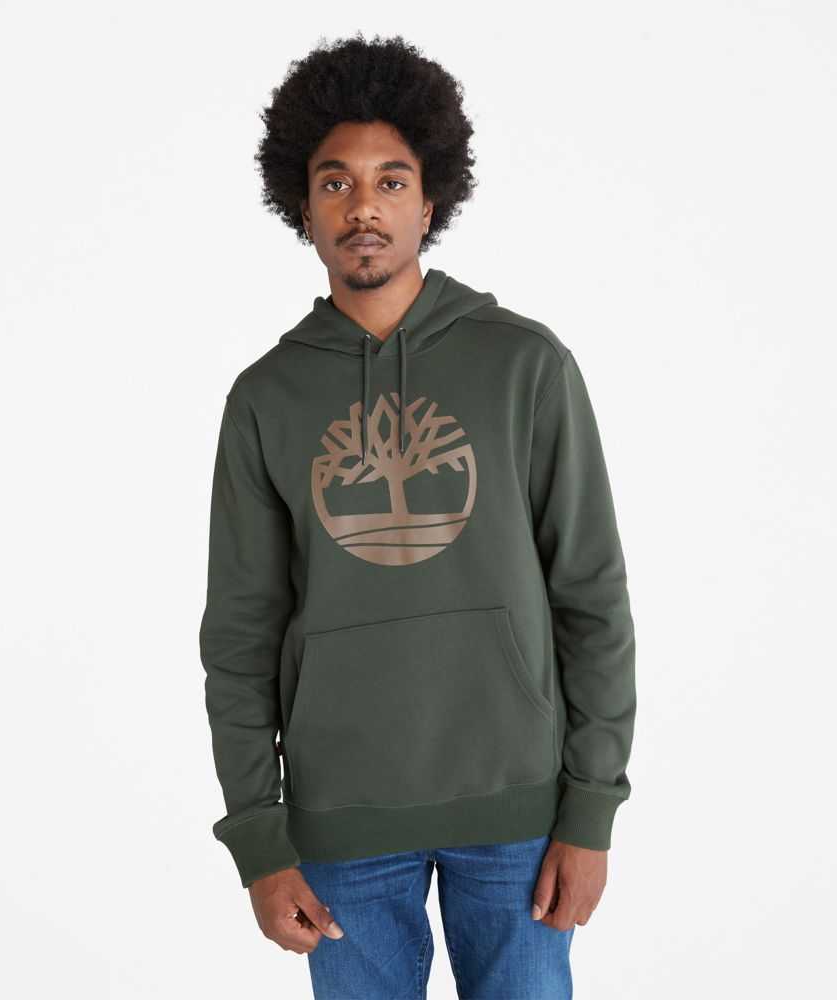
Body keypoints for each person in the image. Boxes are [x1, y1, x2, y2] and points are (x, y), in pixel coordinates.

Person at [198, 31, 637, 1000]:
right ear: (302, 207)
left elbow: (591, 594)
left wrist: (590, 808)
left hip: (518, 814)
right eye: (336, 183)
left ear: (430, 202)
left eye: (390, 182)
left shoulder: (524, 365)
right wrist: (259, 837)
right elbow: (239, 632)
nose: (363, 206)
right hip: (340, 822)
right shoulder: (266, 398)